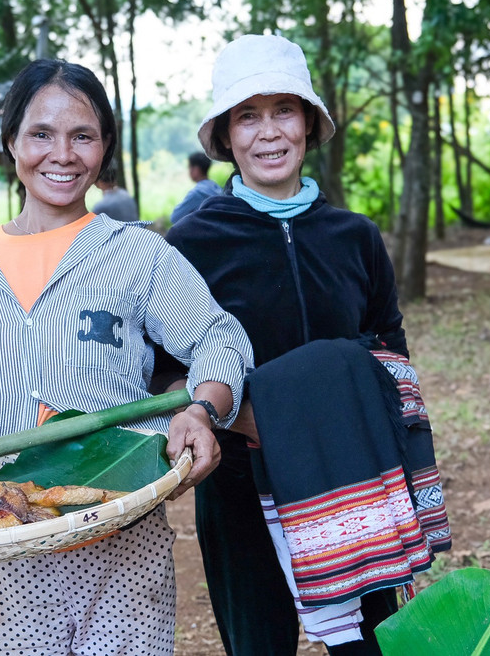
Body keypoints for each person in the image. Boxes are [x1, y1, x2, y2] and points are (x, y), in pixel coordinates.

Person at [0, 58, 253, 656]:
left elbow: (217, 337)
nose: (61, 154)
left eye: (82, 135)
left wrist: (201, 411)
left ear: (104, 148)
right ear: (11, 140)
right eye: (41, 133)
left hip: (119, 525)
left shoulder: (135, 252)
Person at [155, 34, 450, 655]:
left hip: (355, 483)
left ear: (309, 124)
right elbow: (164, 374)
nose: (268, 133)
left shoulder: (355, 237)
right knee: (259, 645)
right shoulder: (191, 243)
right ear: (227, 136)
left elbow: (389, 357)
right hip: (240, 482)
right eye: (247, 115)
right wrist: (240, 416)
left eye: (283, 111)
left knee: (371, 643)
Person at [169, 152, 221, 224]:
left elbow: (175, 217)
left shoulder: (197, 193)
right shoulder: (216, 187)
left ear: (196, 169)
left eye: (189, 167)